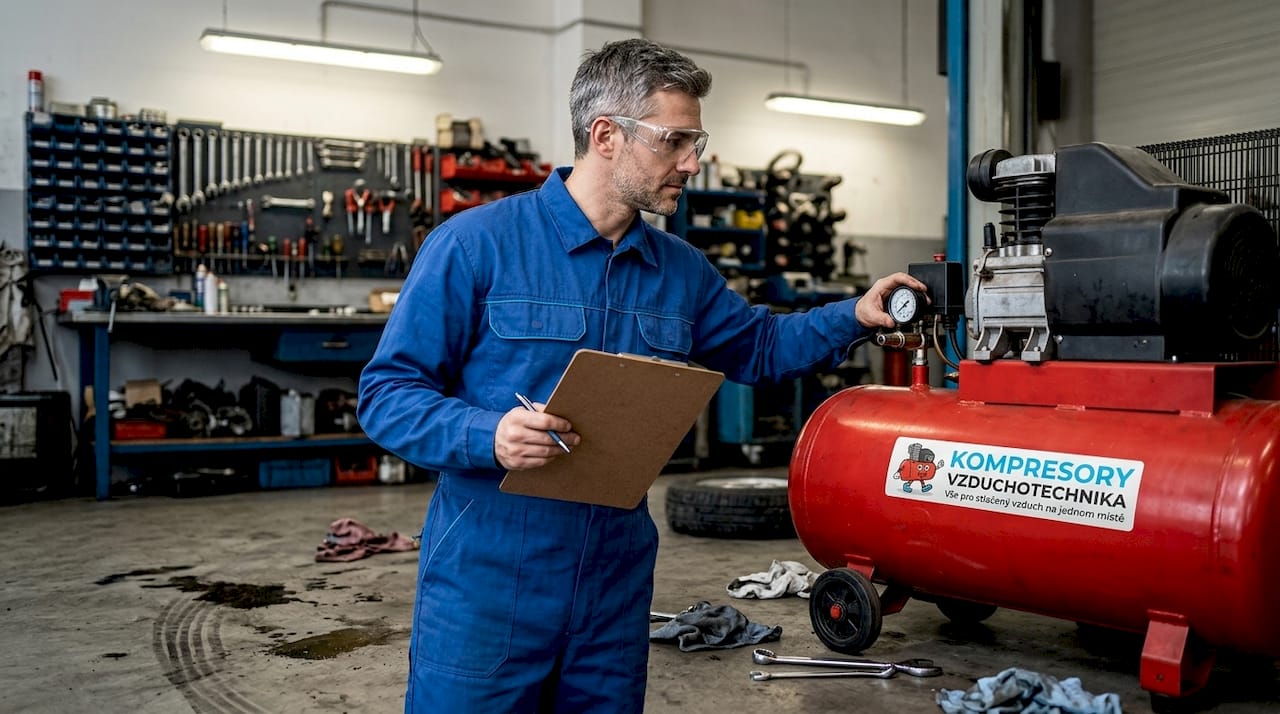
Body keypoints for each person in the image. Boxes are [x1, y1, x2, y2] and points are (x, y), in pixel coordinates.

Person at [357, 37, 927, 713]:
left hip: (613, 582)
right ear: (605, 135)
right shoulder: (474, 246)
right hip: (489, 577)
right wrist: (488, 434)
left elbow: (760, 345)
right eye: (675, 140)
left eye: (697, 140)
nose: (692, 162)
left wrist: (855, 316)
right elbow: (388, 394)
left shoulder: (678, 269)